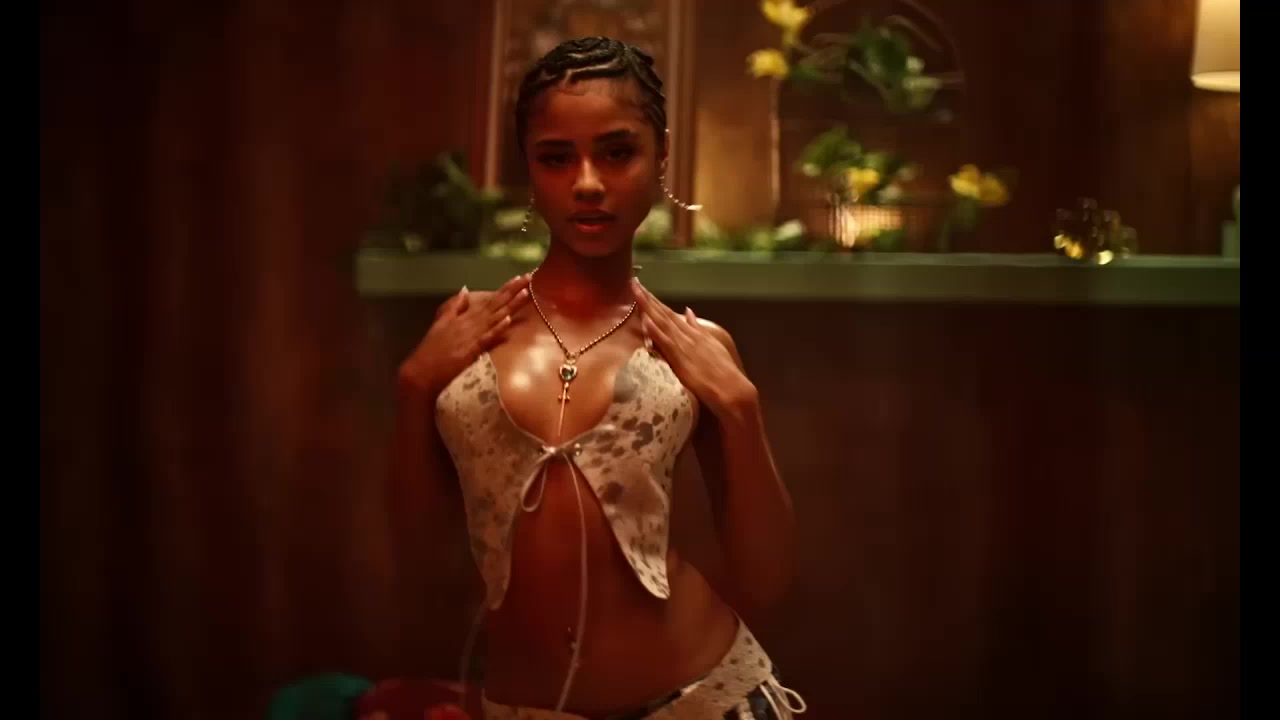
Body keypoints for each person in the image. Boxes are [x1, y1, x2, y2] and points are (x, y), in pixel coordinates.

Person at [392, 36, 806, 720]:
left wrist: (741, 408)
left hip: (703, 701)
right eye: (557, 157)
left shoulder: (695, 350)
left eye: (617, 152)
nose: (588, 182)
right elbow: (416, 565)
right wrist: (414, 387)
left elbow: (767, 580)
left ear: (661, 155)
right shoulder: (465, 334)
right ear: (528, 166)